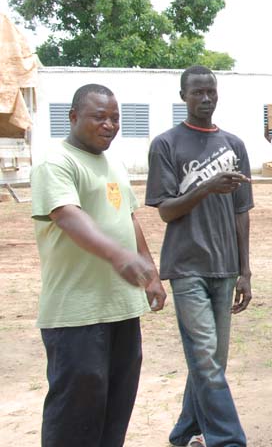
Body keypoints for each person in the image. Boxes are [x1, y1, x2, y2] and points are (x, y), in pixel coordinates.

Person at [30, 84, 166, 447]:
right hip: (77, 315)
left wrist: (151, 273)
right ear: (73, 117)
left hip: (121, 309)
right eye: (99, 117)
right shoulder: (55, 161)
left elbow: (129, 219)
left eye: (115, 118)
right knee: (74, 418)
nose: (109, 125)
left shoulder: (112, 163)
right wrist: (117, 255)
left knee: (114, 413)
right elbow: (67, 216)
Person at [145, 65, 254, 447]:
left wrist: (246, 271)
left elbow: (242, 211)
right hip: (186, 265)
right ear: (183, 97)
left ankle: (183, 432)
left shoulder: (234, 145)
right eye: (197, 93)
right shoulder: (166, 144)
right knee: (206, 357)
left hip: (225, 267)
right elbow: (166, 210)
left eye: (211, 91)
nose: (205, 98)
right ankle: (227, 439)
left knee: (211, 361)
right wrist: (206, 187)